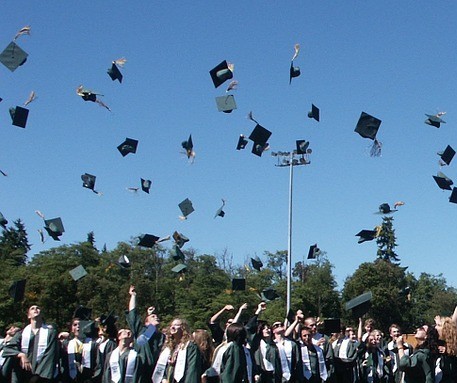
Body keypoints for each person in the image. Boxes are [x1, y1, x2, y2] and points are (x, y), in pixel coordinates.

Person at [3, 304, 59, 382]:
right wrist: (21, 355)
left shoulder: (51, 333)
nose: (35, 309)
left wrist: (37, 376)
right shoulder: (22, 333)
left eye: (38, 308)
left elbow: (50, 355)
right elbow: (8, 349)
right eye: (32, 308)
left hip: (41, 376)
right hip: (22, 373)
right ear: (29, 315)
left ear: (41, 314)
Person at [126, 285, 164, 381]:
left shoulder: (162, 337)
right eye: (153, 317)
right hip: (140, 373)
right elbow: (132, 314)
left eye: (157, 316)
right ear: (146, 323)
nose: (156, 317)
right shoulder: (141, 331)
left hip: (156, 374)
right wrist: (133, 296)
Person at [152, 318, 202, 383]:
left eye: (176, 325)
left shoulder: (190, 346)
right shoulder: (170, 348)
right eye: (171, 325)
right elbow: (163, 366)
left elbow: (192, 370)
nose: (172, 327)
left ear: (183, 328)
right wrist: (163, 379)